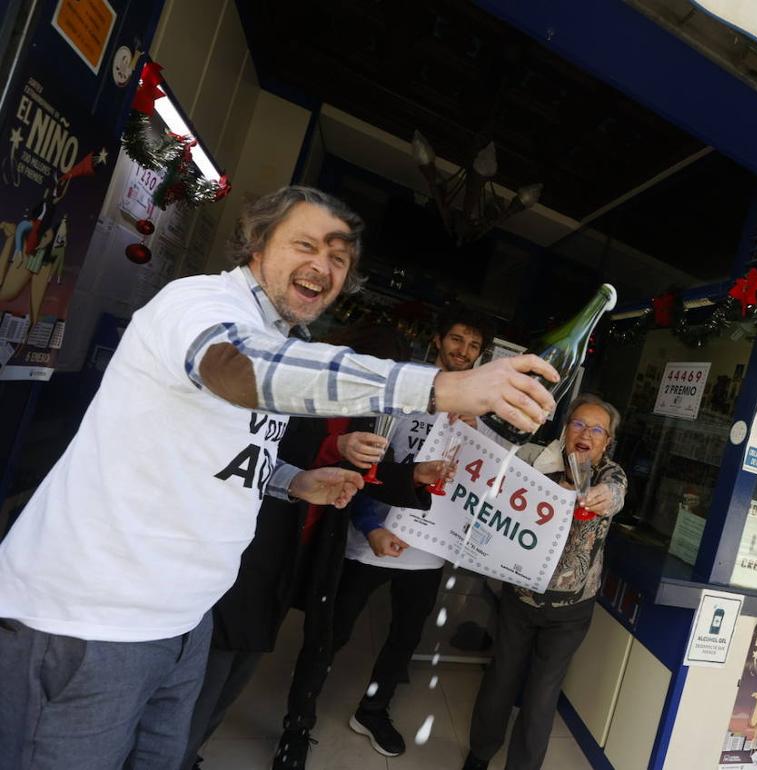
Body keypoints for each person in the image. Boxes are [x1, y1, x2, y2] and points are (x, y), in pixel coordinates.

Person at [0, 185, 559, 770]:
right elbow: (238, 369)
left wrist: (293, 480)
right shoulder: (198, 305)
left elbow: (220, 446)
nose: (324, 266)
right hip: (89, 623)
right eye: (307, 244)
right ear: (258, 242)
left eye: (340, 258)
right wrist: (440, 387)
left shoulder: (279, 337)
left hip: (184, 620)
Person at [178, 325, 435, 770]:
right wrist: (333, 444)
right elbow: (265, 449)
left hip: (304, 552)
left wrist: (412, 477)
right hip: (257, 547)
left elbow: (367, 473)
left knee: (246, 658)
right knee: (216, 662)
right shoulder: (299, 392)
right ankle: (176, 754)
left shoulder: (364, 412)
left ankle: (191, 750)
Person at [272, 308, 496, 768]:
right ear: (437, 339)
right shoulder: (401, 389)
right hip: (366, 539)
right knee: (328, 635)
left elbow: (487, 482)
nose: (463, 351)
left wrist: (479, 440)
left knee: (404, 639)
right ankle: (298, 724)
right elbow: (366, 463)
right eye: (457, 338)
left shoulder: (480, 411)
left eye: (474, 346)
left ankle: (373, 711)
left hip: (428, 552)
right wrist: (371, 525)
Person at [462, 394, 628, 770]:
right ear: (566, 429)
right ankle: (479, 753)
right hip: (519, 599)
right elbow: (497, 457)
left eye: (597, 429)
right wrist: (471, 430)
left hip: (570, 613)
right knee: (500, 679)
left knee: (541, 697)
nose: (586, 433)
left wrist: (601, 497)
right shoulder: (536, 458)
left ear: (607, 442)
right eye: (578, 424)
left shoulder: (610, 476)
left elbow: (614, 496)